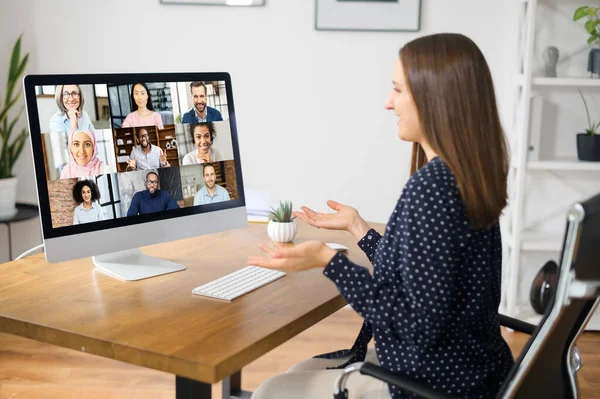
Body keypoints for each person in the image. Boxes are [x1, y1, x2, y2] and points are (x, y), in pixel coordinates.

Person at [248, 33, 514, 399]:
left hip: (434, 384)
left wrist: (328, 260)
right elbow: (424, 280)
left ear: (434, 97)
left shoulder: (432, 188)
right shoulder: (468, 175)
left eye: (398, 90)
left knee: (268, 392)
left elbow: (414, 324)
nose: (389, 103)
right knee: (298, 371)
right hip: (472, 370)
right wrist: (359, 228)